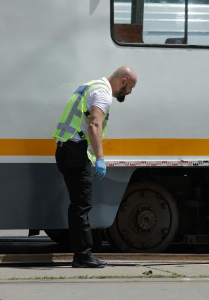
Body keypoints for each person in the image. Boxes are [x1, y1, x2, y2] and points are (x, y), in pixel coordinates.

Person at [53, 66, 138, 268]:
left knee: (78, 205)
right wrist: (100, 157)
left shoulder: (89, 86)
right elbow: (94, 124)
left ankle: (83, 250)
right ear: (123, 81)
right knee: (82, 206)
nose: (130, 93)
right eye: (131, 87)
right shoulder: (103, 94)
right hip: (76, 152)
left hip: (65, 149)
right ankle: (82, 256)